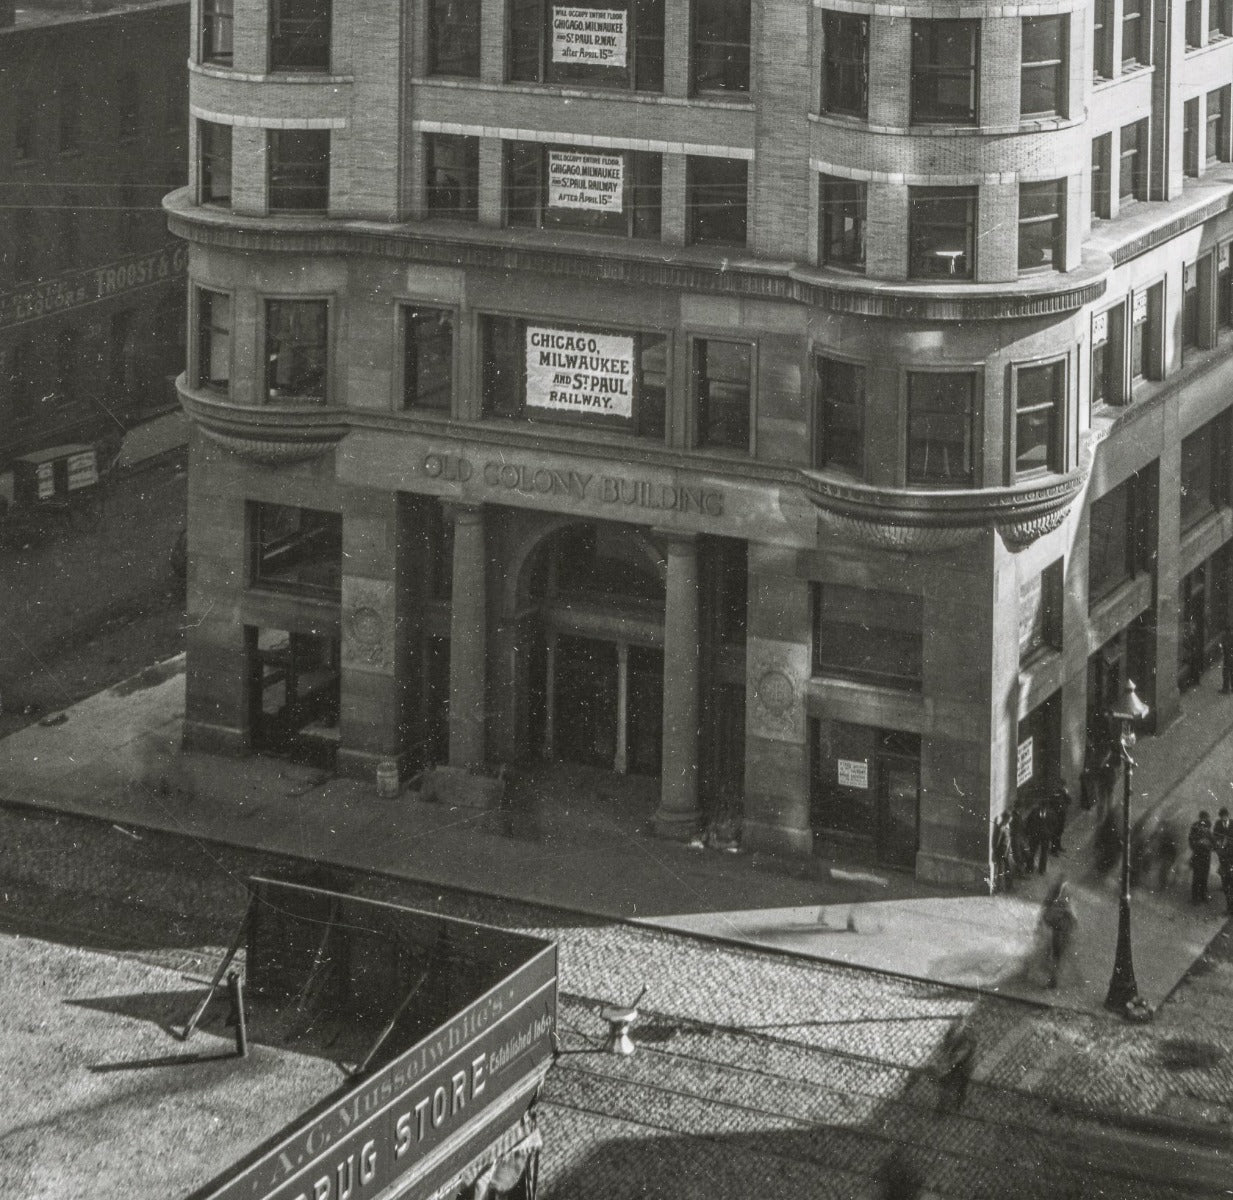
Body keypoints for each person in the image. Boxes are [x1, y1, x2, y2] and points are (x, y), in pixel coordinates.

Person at [1041, 878, 1078, 989]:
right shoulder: (1065, 900)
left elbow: (1046, 912)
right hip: (1060, 931)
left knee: (1053, 955)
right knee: (1056, 956)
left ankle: (1053, 979)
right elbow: (1072, 916)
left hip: (1056, 931)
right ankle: (1053, 978)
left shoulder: (1055, 900)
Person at [936, 1020, 976, 1113]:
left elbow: (959, 1055)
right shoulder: (956, 1035)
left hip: (963, 1067)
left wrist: (948, 1065)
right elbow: (946, 1045)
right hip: (958, 1066)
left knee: (958, 1086)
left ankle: (955, 1105)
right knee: (953, 1086)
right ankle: (950, 1105)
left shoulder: (967, 1039)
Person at [1189, 811, 1214, 904]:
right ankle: (1195, 898)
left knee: (1204, 877)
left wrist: (1209, 845)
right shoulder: (1195, 828)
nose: (1204, 821)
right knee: (1196, 877)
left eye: (1206, 818)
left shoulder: (1209, 831)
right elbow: (1191, 840)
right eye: (1203, 818)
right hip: (1197, 856)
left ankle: (1203, 896)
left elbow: (1214, 844)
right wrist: (1199, 843)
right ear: (1200, 818)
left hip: (1206, 857)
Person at [1025, 795, 1053, 875]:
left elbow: (1054, 824)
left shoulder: (1050, 814)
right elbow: (1028, 822)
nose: (1043, 809)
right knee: (1032, 852)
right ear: (1040, 806)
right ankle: (1030, 867)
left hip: (1045, 836)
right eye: (1042, 807)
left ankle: (1042, 869)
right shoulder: (1034, 812)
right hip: (1035, 836)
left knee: (1044, 853)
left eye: (1045, 808)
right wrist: (1029, 833)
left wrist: (1049, 832)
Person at [992, 810, 1016, 893]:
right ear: (1006, 818)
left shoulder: (1006, 826)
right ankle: (999, 888)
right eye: (1010, 818)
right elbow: (997, 842)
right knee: (1001, 871)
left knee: (1009, 869)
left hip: (1007, 852)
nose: (1011, 819)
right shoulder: (1001, 828)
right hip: (1001, 853)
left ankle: (1009, 887)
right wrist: (995, 853)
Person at [1047, 783, 1072, 854]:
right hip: (1056, 817)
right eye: (1062, 786)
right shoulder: (1054, 795)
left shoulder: (1063, 793)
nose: (1062, 787)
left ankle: (1058, 846)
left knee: (1060, 832)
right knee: (1055, 833)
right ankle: (1053, 850)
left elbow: (1070, 801)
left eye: (1063, 786)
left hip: (1062, 816)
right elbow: (1051, 805)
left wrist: (1066, 793)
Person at [1222, 628, 1233, 693]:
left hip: (1228, 656)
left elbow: (1226, 647)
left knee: (1226, 671)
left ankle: (1226, 688)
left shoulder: (1227, 637)